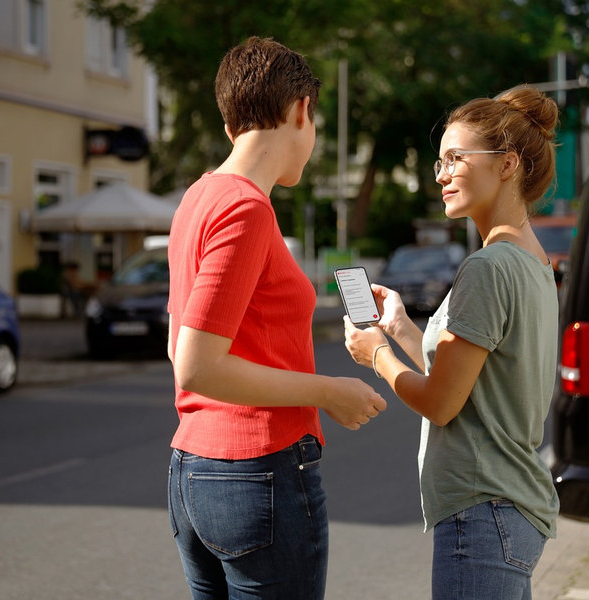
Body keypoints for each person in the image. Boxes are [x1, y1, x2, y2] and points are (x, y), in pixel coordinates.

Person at [166, 36, 387, 600]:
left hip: (194, 467)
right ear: (300, 111)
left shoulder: (197, 198)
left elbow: (179, 348)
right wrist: (329, 391)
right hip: (256, 472)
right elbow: (195, 365)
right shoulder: (246, 208)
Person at [343, 86, 560, 599]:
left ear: (507, 164)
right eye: (439, 161)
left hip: (483, 509)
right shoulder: (533, 260)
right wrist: (400, 329)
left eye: (454, 159)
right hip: (511, 506)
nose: (440, 175)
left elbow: (441, 404)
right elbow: (471, 383)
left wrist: (376, 355)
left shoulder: (486, 268)